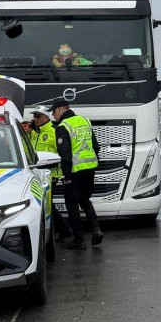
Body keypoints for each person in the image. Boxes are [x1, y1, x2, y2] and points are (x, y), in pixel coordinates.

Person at [50, 98, 103, 248]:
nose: (53, 116)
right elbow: (96, 146)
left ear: (61, 110)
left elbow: (65, 154)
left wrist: (67, 177)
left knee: (72, 205)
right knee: (85, 200)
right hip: (90, 168)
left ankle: (79, 240)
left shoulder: (63, 126)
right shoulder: (85, 120)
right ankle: (96, 230)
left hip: (74, 172)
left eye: (54, 112)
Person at [29, 105, 71, 241]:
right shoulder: (34, 132)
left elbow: (62, 152)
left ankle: (64, 231)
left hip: (51, 173)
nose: (35, 119)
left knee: (48, 206)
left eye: (38, 116)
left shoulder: (54, 131)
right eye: (34, 116)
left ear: (46, 117)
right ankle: (62, 231)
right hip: (35, 173)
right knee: (45, 205)